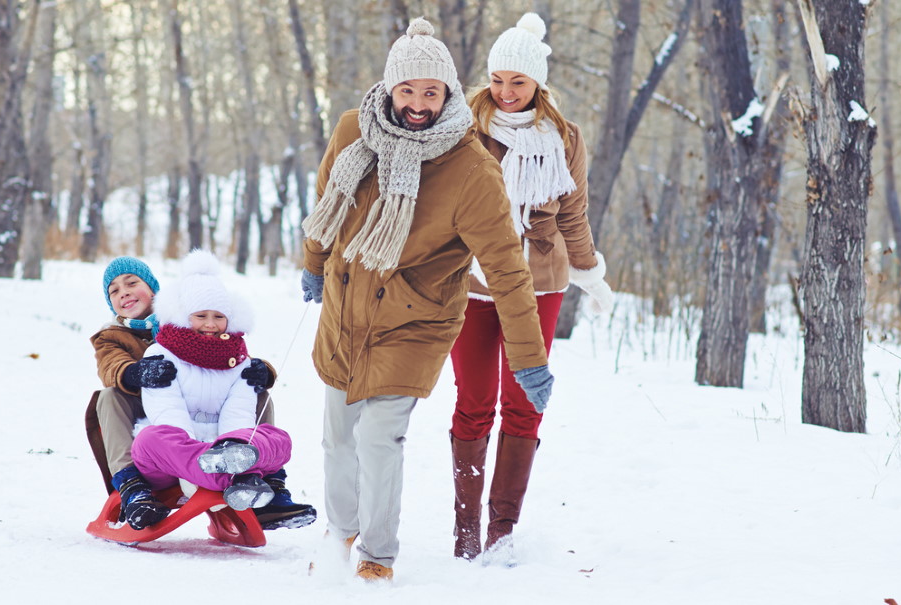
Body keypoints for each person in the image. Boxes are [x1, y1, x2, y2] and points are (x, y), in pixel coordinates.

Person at [300, 17, 554, 583]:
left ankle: (376, 556)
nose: (418, 104)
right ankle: (340, 533)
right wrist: (314, 265)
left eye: (431, 92)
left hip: (415, 319)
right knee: (338, 436)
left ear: (448, 93)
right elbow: (326, 203)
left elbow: (507, 270)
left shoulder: (471, 169)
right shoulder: (353, 131)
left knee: (378, 437)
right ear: (390, 87)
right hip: (346, 307)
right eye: (408, 90)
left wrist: (528, 358)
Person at [447, 12, 614, 561]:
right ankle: (466, 530)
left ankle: (502, 530)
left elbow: (573, 216)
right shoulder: (466, 129)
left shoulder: (565, 138)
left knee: (525, 402)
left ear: (537, 82)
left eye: (517, 81)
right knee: (474, 400)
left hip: (541, 283)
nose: (505, 92)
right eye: (497, 79)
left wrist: (590, 273)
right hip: (475, 284)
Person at [89, 256, 312, 530]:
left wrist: (263, 371)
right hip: (151, 421)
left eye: (131, 283)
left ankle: (269, 483)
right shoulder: (111, 336)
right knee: (109, 397)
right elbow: (111, 366)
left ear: (153, 288)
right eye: (114, 290)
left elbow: (231, 360)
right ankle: (132, 486)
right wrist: (133, 373)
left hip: (213, 419)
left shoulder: (192, 313)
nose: (123, 292)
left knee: (258, 393)